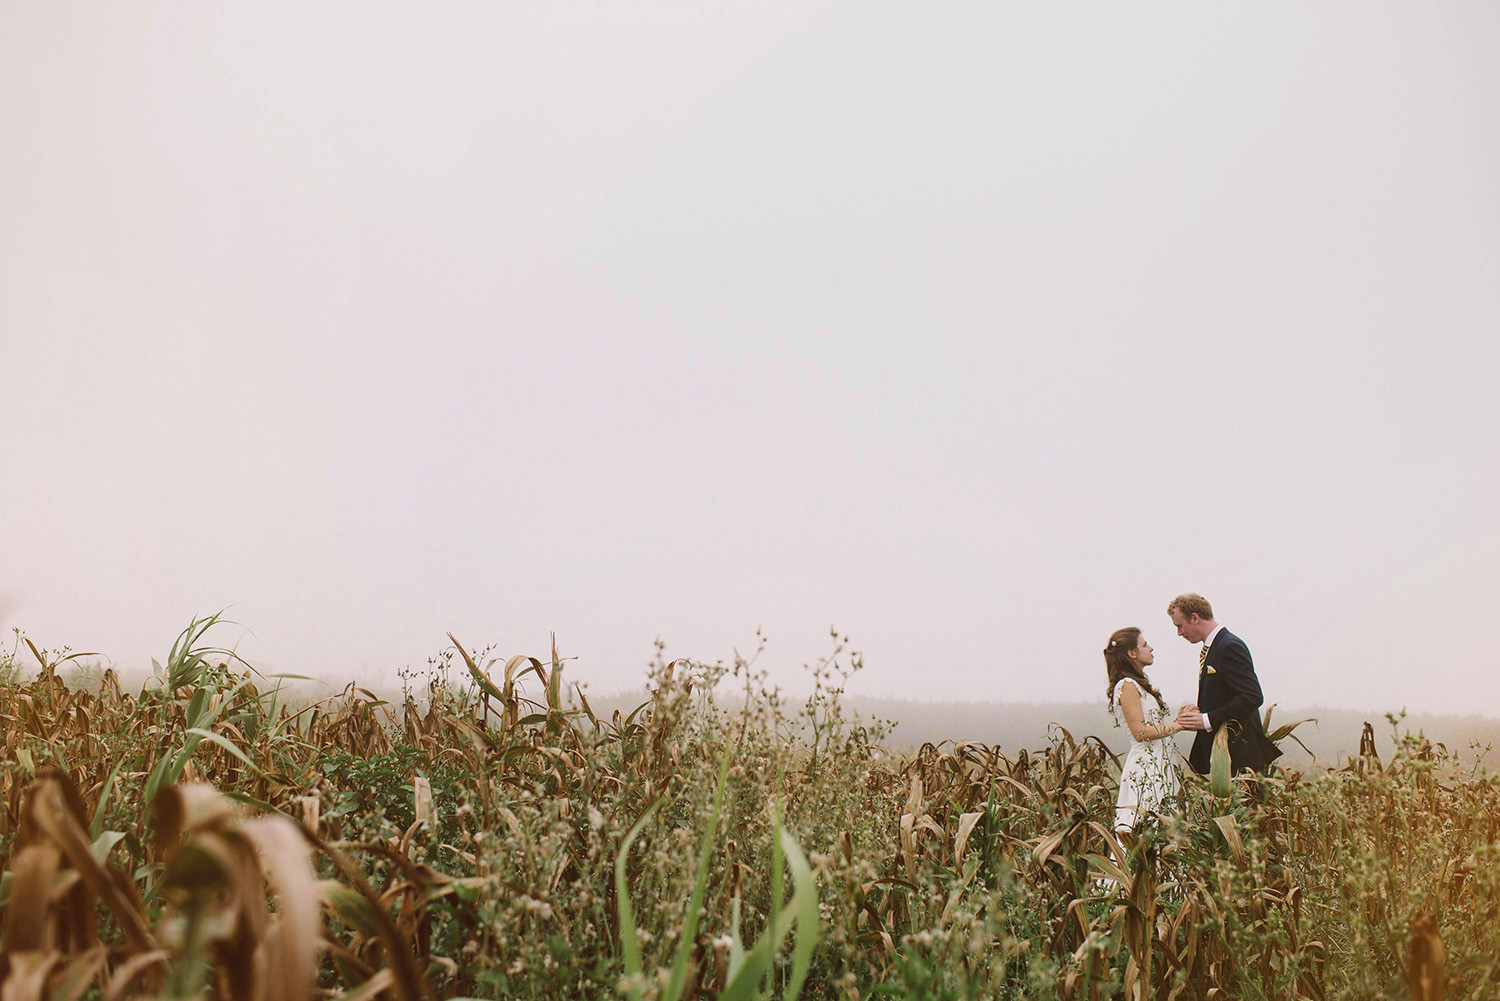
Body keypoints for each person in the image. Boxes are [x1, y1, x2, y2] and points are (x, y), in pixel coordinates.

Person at [1169, 593, 1281, 775]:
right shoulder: (1214, 647)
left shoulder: (1229, 646)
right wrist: (1198, 712)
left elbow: (1252, 696)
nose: (1179, 633)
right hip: (1224, 756)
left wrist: (1207, 719)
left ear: (1195, 618)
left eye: (1180, 626)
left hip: (1241, 755)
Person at [1103, 627, 1182, 832]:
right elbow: (1140, 732)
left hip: (1159, 763)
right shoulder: (1127, 685)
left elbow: (1152, 724)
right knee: (1147, 826)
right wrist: (1178, 725)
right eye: (1145, 645)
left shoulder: (1137, 685)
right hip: (1146, 766)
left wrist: (1180, 718)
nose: (1151, 649)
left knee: (1165, 826)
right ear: (1132, 653)